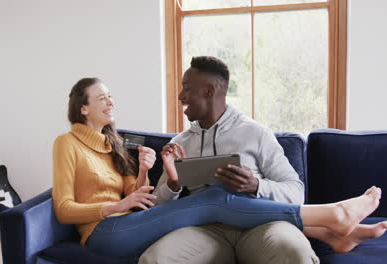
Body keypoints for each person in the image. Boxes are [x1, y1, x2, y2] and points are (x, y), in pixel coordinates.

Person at [52, 77, 387, 260]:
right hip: (102, 235)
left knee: (218, 196)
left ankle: (328, 231)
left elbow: (137, 199)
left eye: (111, 96)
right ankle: (331, 217)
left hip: (132, 223)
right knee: (213, 197)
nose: (111, 102)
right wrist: (117, 206)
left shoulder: (116, 144)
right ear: (83, 109)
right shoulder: (66, 144)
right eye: (102, 99)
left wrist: (147, 173)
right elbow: (64, 210)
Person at [139, 56, 385, 264]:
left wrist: (256, 186)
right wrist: (172, 183)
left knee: (296, 253)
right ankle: (334, 225)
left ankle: (336, 226)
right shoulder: (180, 143)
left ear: (209, 91)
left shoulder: (255, 133)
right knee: (155, 259)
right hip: (206, 231)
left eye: (187, 88)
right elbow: (158, 206)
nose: (181, 95)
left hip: (261, 227)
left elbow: (295, 192)